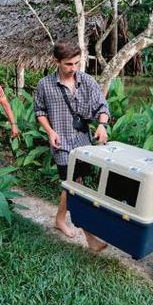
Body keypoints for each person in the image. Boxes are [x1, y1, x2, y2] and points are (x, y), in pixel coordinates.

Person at [34, 40, 110, 252]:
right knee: (76, 187)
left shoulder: (87, 81)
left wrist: (102, 125)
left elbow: (102, 106)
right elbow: (39, 111)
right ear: (56, 61)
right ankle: (90, 236)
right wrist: (50, 132)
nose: (73, 68)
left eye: (77, 63)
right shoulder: (45, 85)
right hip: (62, 146)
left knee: (72, 186)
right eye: (68, 64)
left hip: (84, 144)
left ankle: (59, 219)